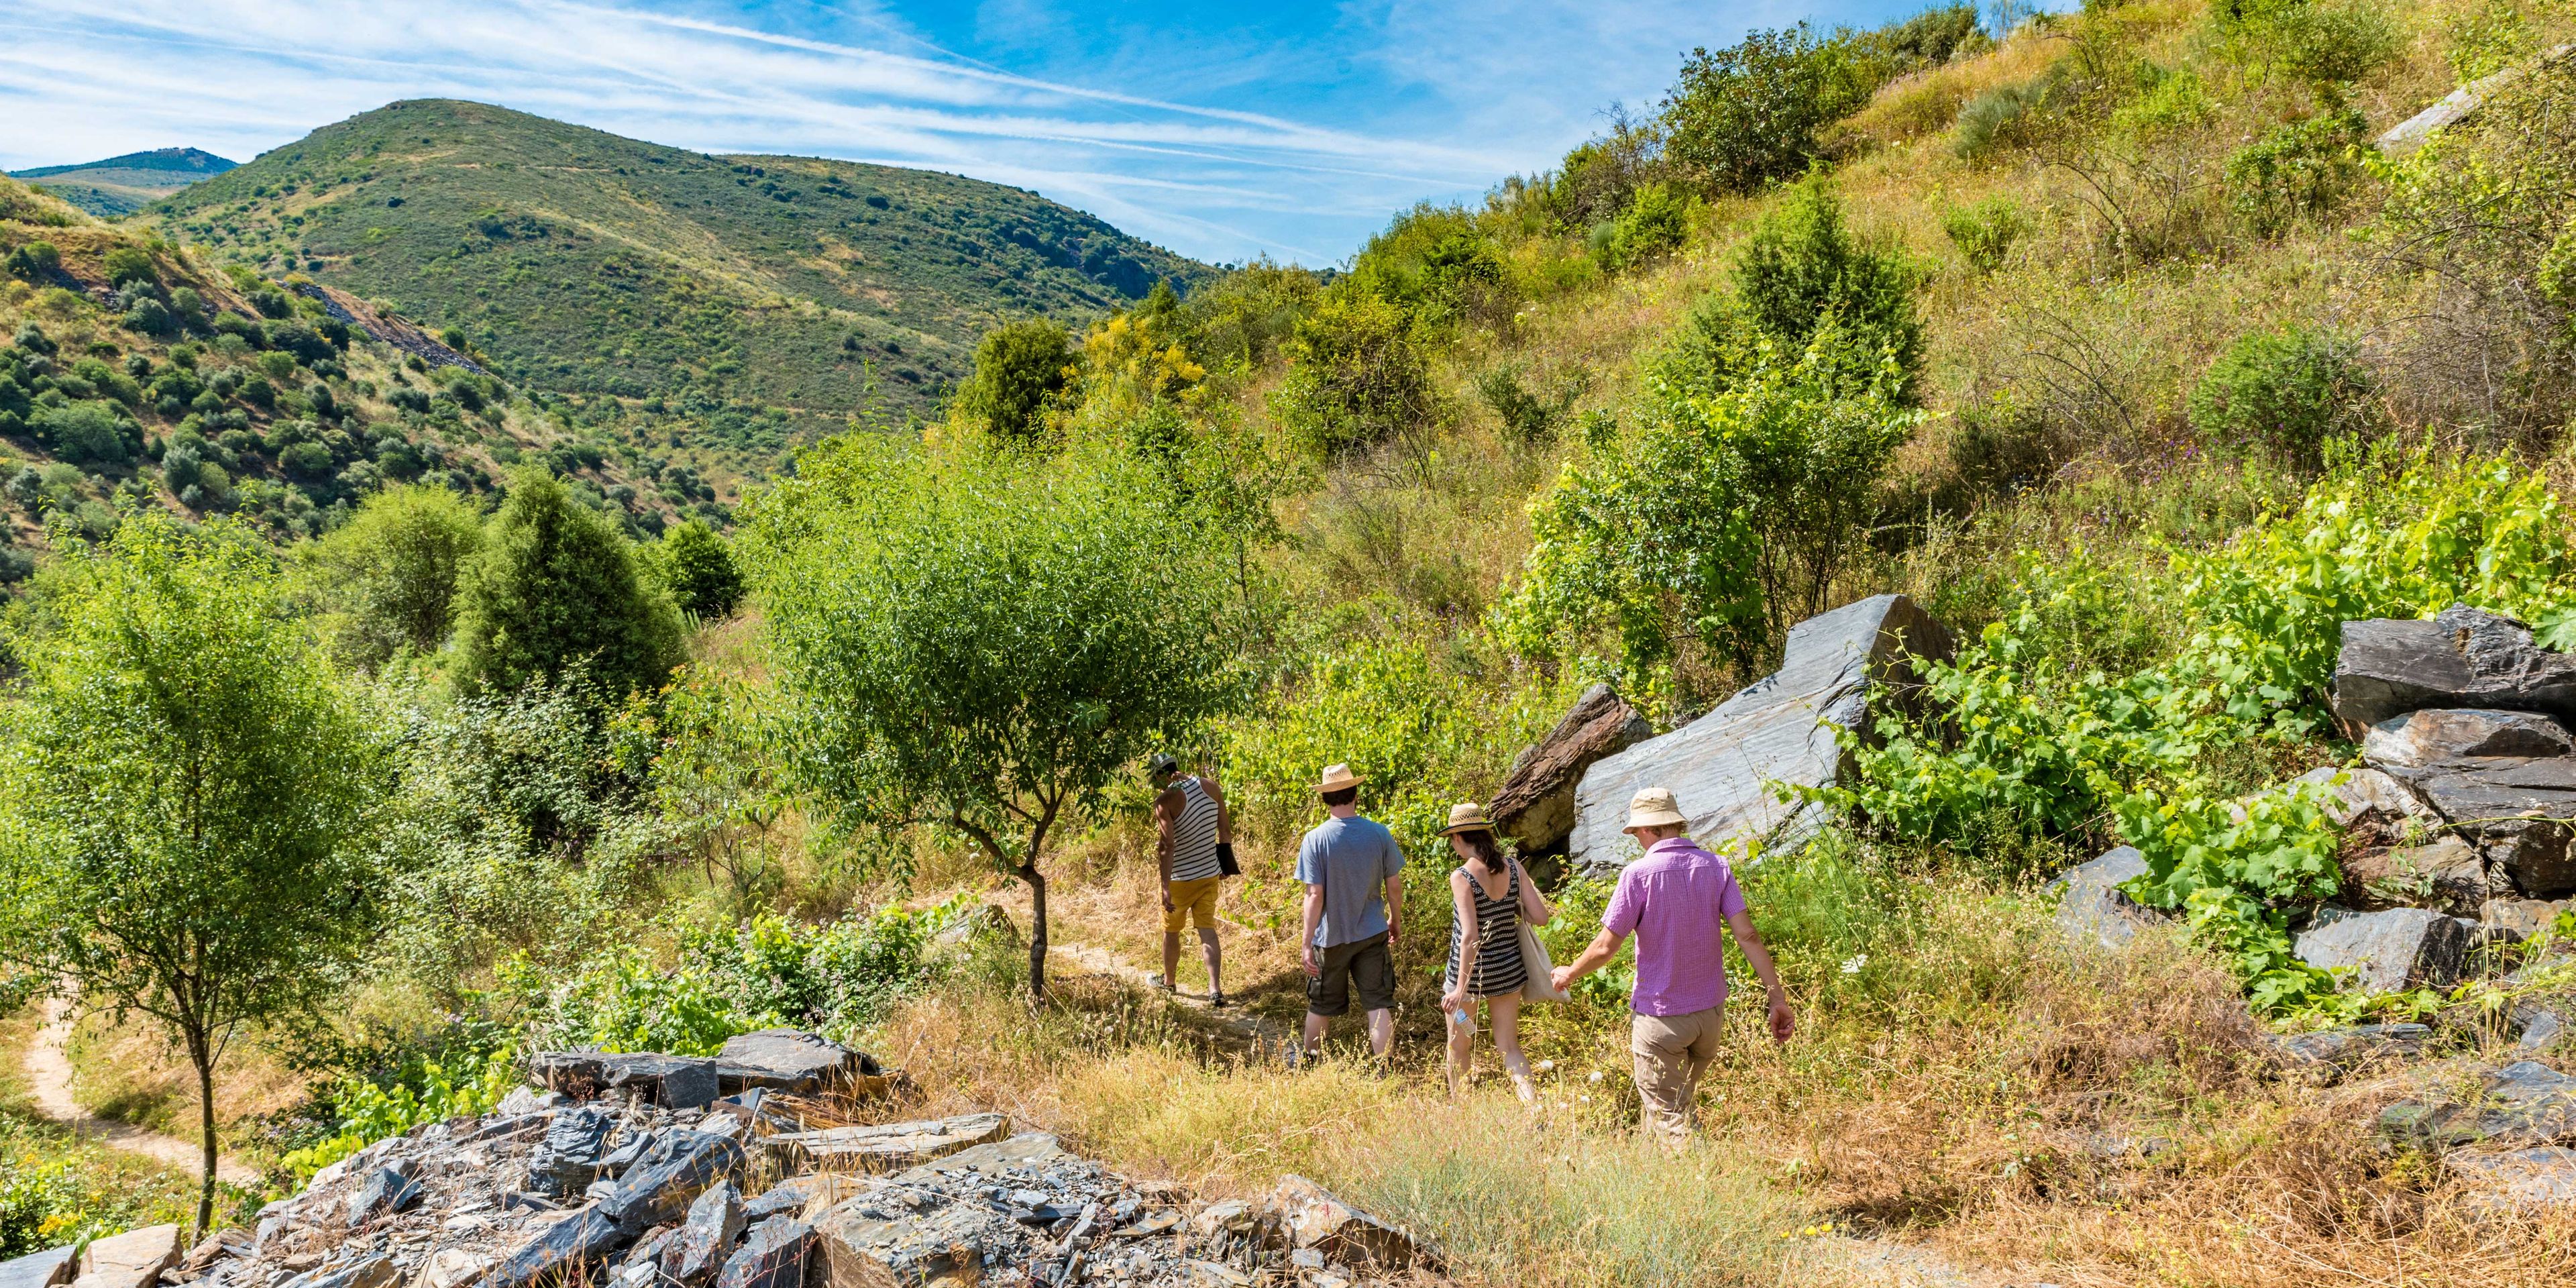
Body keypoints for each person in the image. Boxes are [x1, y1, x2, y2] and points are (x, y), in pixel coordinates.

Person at [1552, 786, 1793, 1142]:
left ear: (1649, 829)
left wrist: (1569, 972)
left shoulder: (1638, 875)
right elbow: (1748, 937)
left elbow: (1606, 947)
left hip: (1661, 1020)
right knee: (1671, 1105)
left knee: (1672, 1122)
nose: (1636, 840)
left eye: (1636, 833)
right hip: (1709, 1018)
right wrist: (1777, 997)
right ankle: (1650, 1185)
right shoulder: (1716, 867)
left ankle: (1701, 1192)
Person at [1436, 802, 1554, 1102]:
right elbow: (1541, 917)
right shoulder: (1513, 867)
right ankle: (1534, 1109)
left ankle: (1460, 1113)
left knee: (1459, 1046)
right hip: (1508, 971)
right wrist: (1508, 904)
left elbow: (1470, 936)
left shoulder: (1461, 876)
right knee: (1509, 1047)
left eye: (1452, 838)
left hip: (1471, 978)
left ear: (1460, 838)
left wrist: (1460, 989)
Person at [1296, 763, 1405, 1063]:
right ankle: (1384, 1068)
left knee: (1320, 1004)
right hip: (1372, 931)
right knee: (1378, 1003)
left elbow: (1315, 895)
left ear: (1325, 799)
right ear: (1355, 793)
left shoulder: (1315, 840)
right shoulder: (1378, 833)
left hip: (1330, 937)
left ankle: (1311, 1064)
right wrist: (1395, 920)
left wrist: (1307, 943)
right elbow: (1394, 886)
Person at [1148, 753, 1235, 1006]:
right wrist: (1225, 865)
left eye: (1156, 780)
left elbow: (1167, 845)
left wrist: (1165, 887)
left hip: (1180, 879)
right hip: (1209, 874)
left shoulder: (1164, 801)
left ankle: (1170, 982)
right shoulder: (1211, 787)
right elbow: (1226, 831)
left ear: (1161, 775)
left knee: (1171, 931)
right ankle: (1215, 989)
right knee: (1208, 932)